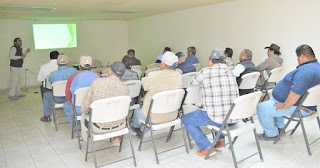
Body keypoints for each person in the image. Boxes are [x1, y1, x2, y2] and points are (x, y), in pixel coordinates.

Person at [182, 49, 239, 157]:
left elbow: (193, 83)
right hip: (232, 118)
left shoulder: (205, 71)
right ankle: (220, 142)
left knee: (186, 119)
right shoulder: (231, 72)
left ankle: (206, 147)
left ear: (210, 61)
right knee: (219, 108)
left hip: (217, 119)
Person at [257, 44, 320, 141]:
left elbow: (295, 94)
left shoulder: (305, 72)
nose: (297, 60)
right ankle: (280, 127)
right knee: (274, 99)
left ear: (302, 56)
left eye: (298, 57)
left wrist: (284, 106)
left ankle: (271, 134)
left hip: (301, 108)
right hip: (306, 105)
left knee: (261, 107)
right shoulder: (316, 66)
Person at [131, 51, 183, 138]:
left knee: (137, 112)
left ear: (163, 65)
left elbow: (144, 86)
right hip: (172, 114)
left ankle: (138, 129)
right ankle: (142, 130)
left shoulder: (154, 75)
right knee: (147, 115)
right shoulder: (179, 76)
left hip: (154, 116)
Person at [81, 62, 129, 146]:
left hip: (98, 126)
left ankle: (86, 142)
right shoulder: (126, 89)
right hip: (119, 125)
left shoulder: (97, 83)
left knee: (83, 115)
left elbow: (85, 107)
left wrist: (87, 112)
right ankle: (117, 137)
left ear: (110, 72)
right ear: (123, 76)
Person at [63, 56, 101, 124]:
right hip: (95, 107)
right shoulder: (98, 76)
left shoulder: (72, 78)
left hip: (79, 109)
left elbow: (68, 95)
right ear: (91, 66)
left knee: (66, 105)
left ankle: (78, 127)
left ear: (79, 66)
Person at [40, 55, 78, 122]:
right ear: (68, 62)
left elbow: (51, 84)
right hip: (72, 98)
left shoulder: (53, 74)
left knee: (46, 95)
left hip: (57, 99)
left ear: (57, 63)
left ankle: (47, 116)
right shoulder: (74, 71)